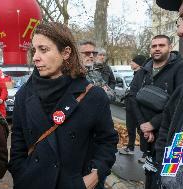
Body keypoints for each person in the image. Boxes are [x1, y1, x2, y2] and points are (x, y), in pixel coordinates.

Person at [8, 22, 118, 189]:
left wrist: (95, 175)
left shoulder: (93, 95)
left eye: (43, 50)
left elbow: (107, 141)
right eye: (34, 50)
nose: (36, 57)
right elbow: (18, 140)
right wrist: (21, 173)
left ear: (66, 52)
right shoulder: (24, 94)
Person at [128, 34, 183, 189]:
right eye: (154, 46)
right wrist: (143, 124)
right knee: (150, 174)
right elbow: (132, 97)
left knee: (169, 178)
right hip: (148, 136)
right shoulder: (144, 70)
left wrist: (153, 124)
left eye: (161, 45)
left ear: (169, 47)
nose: (157, 49)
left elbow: (179, 104)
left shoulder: (181, 68)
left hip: (172, 138)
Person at [155, 0, 183, 188]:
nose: (182, 31)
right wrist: (164, 172)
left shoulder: (181, 71)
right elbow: (177, 137)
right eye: (181, 18)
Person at [119, 55, 147, 156]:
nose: (130, 63)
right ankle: (130, 148)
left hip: (138, 108)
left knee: (142, 130)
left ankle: (146, 153)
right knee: (130, 128)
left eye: (132, 62)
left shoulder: (142, 75)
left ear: (138, 64)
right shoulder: (135, 73)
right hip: (130, 107)